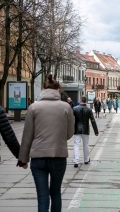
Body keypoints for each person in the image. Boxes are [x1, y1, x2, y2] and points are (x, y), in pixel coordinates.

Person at [18, 74, 75, 212]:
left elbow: (27, 136)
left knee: (42, 196)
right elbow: (69, 133)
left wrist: (23, 159)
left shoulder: (33, 108)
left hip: (38, 159)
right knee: (55, 194)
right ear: (57, 90)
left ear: (43, 89)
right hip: (58, 157)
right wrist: (58, 138)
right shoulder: (66, 107)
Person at [73, 96, 99, 168]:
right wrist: (96, 131)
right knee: (86, 145)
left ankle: (76, 161)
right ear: (85, 101)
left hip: (76, 129)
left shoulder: (74, 109)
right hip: (85, 129)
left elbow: (71, 119)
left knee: (76, 145)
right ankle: (86, 160)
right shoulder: (89, 110)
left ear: (80, 100)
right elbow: (93, 121)